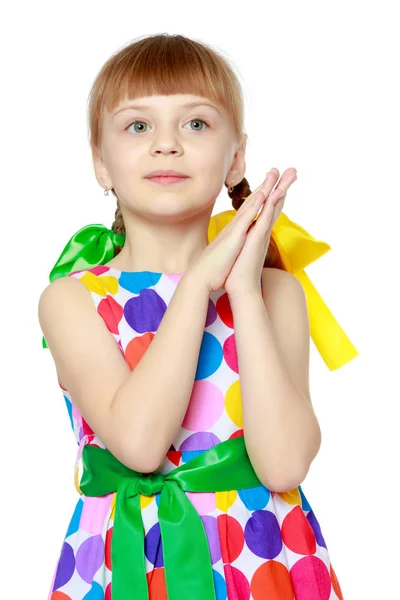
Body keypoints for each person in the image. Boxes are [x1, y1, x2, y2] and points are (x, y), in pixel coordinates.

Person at [38, 33, 358, 600]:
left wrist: (244, 292)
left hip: (265, 558)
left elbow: (283, 465)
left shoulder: (274, 294)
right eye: (138, 126)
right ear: (100, 163)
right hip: (131, 561)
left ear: (236, 158)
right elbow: (139, 442)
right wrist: (199, 288)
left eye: (196, 124)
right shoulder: (71, 299)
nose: (167, 145)